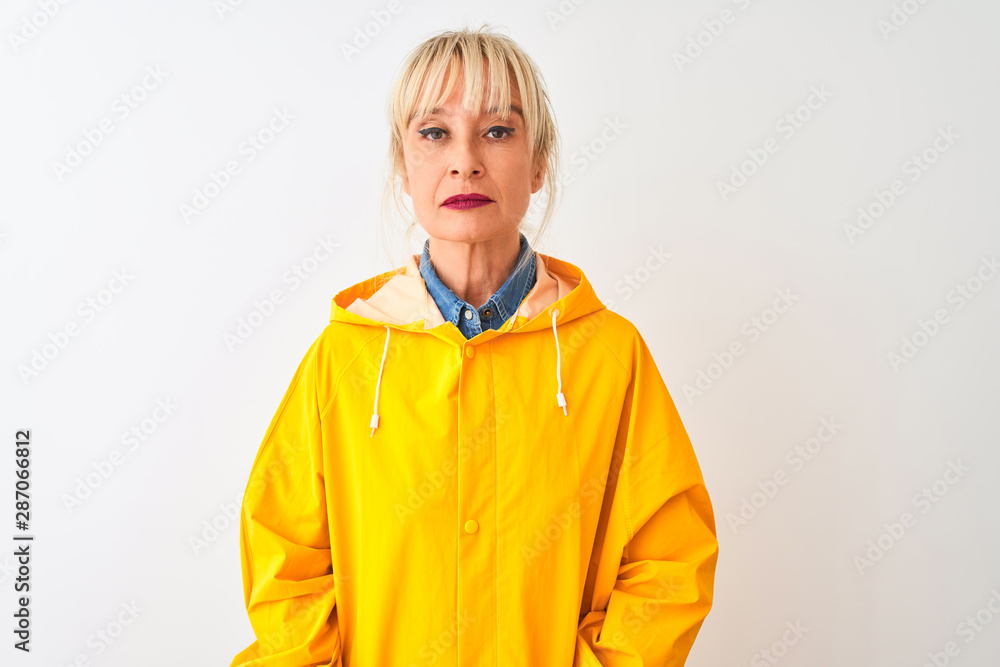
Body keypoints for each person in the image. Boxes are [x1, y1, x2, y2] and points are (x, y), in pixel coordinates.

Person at [230, 24, 719, 667]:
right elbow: (283, 565)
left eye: (497, 130)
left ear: (539, 159)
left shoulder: (610, 357)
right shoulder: (343, 361)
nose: (465, 160)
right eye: (434, 133)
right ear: (405, 166)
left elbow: (669, 561)